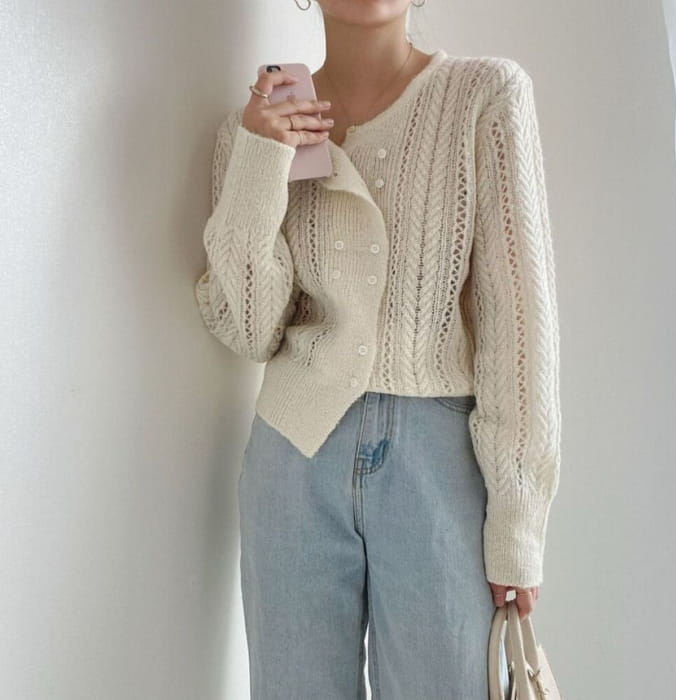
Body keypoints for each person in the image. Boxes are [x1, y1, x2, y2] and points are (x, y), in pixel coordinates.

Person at [194, 0, 561, 697]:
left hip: (438, 468)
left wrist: (518, 522)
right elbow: (249, 328)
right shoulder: (260, 126)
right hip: (291, 461)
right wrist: (259, 156)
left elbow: (518, 324)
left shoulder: (484, 96)